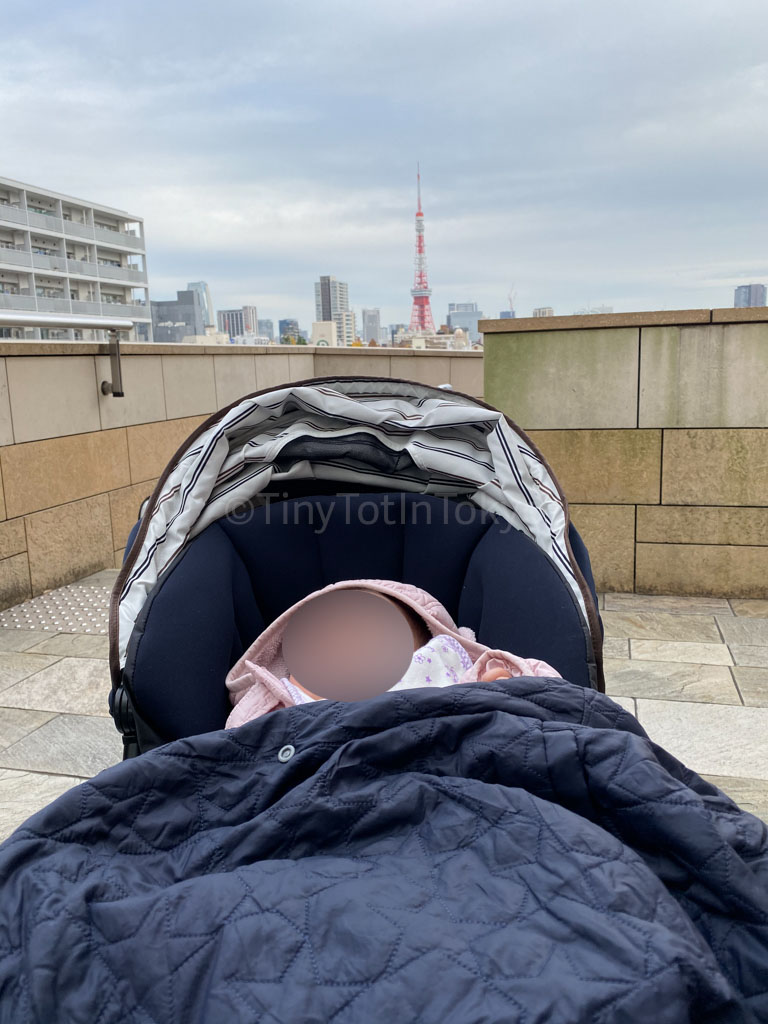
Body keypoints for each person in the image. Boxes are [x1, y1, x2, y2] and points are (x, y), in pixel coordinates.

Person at [226, 579, 560, 728]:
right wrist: (266, 702)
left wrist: (504, 688)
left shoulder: (454, 678)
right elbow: (239, 747)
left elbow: (554, 695)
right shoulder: (282, 702)